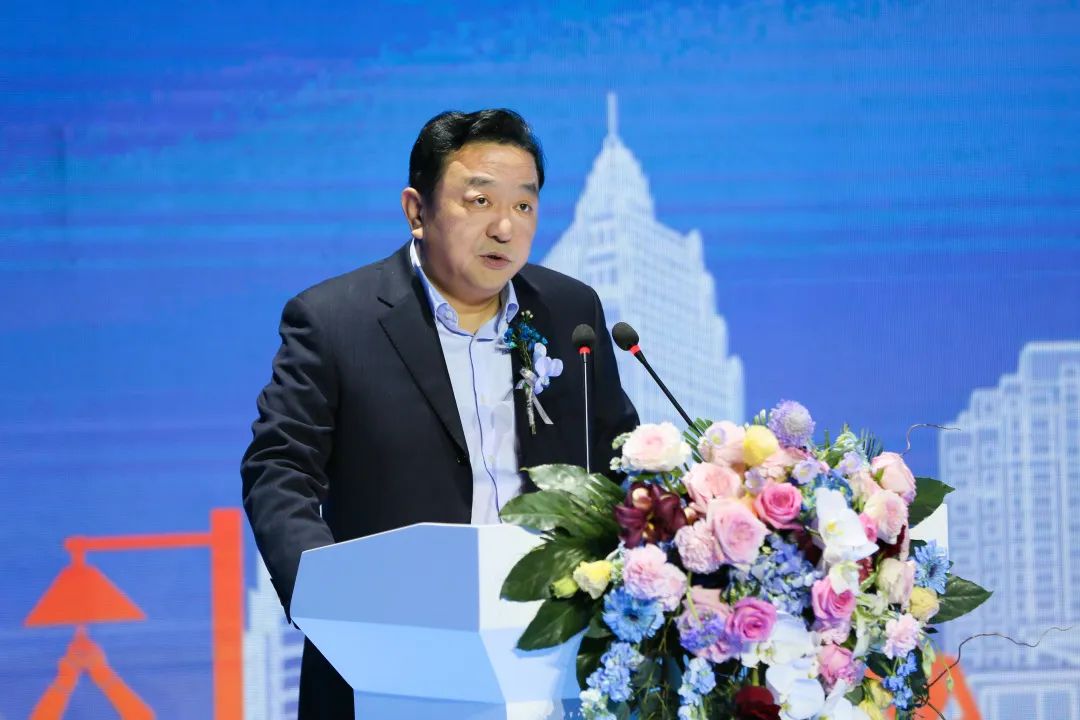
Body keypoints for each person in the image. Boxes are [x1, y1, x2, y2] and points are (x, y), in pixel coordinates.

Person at [241, 108, 638, 718]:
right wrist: (330, 600)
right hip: (390, 655)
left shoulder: (569, 311)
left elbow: (619, 455)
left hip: (553, 652)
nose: (505, 227)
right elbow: (279, 469)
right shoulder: (335, 321)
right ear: (416, 210)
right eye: (479, 201)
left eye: (524, 205)